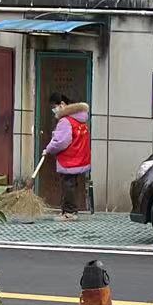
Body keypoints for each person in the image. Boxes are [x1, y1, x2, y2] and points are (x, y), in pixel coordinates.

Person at [44, 93, 92, 222]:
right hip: (79, 158)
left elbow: (60, 142)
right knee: (72, 185)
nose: (54, 110)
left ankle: (69, 213)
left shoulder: (65, 121)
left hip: (69, 159)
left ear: (63, 104)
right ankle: (70, 210)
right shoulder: (80, 120)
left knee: (67, 186)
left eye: (55, 106)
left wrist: (48, 149)